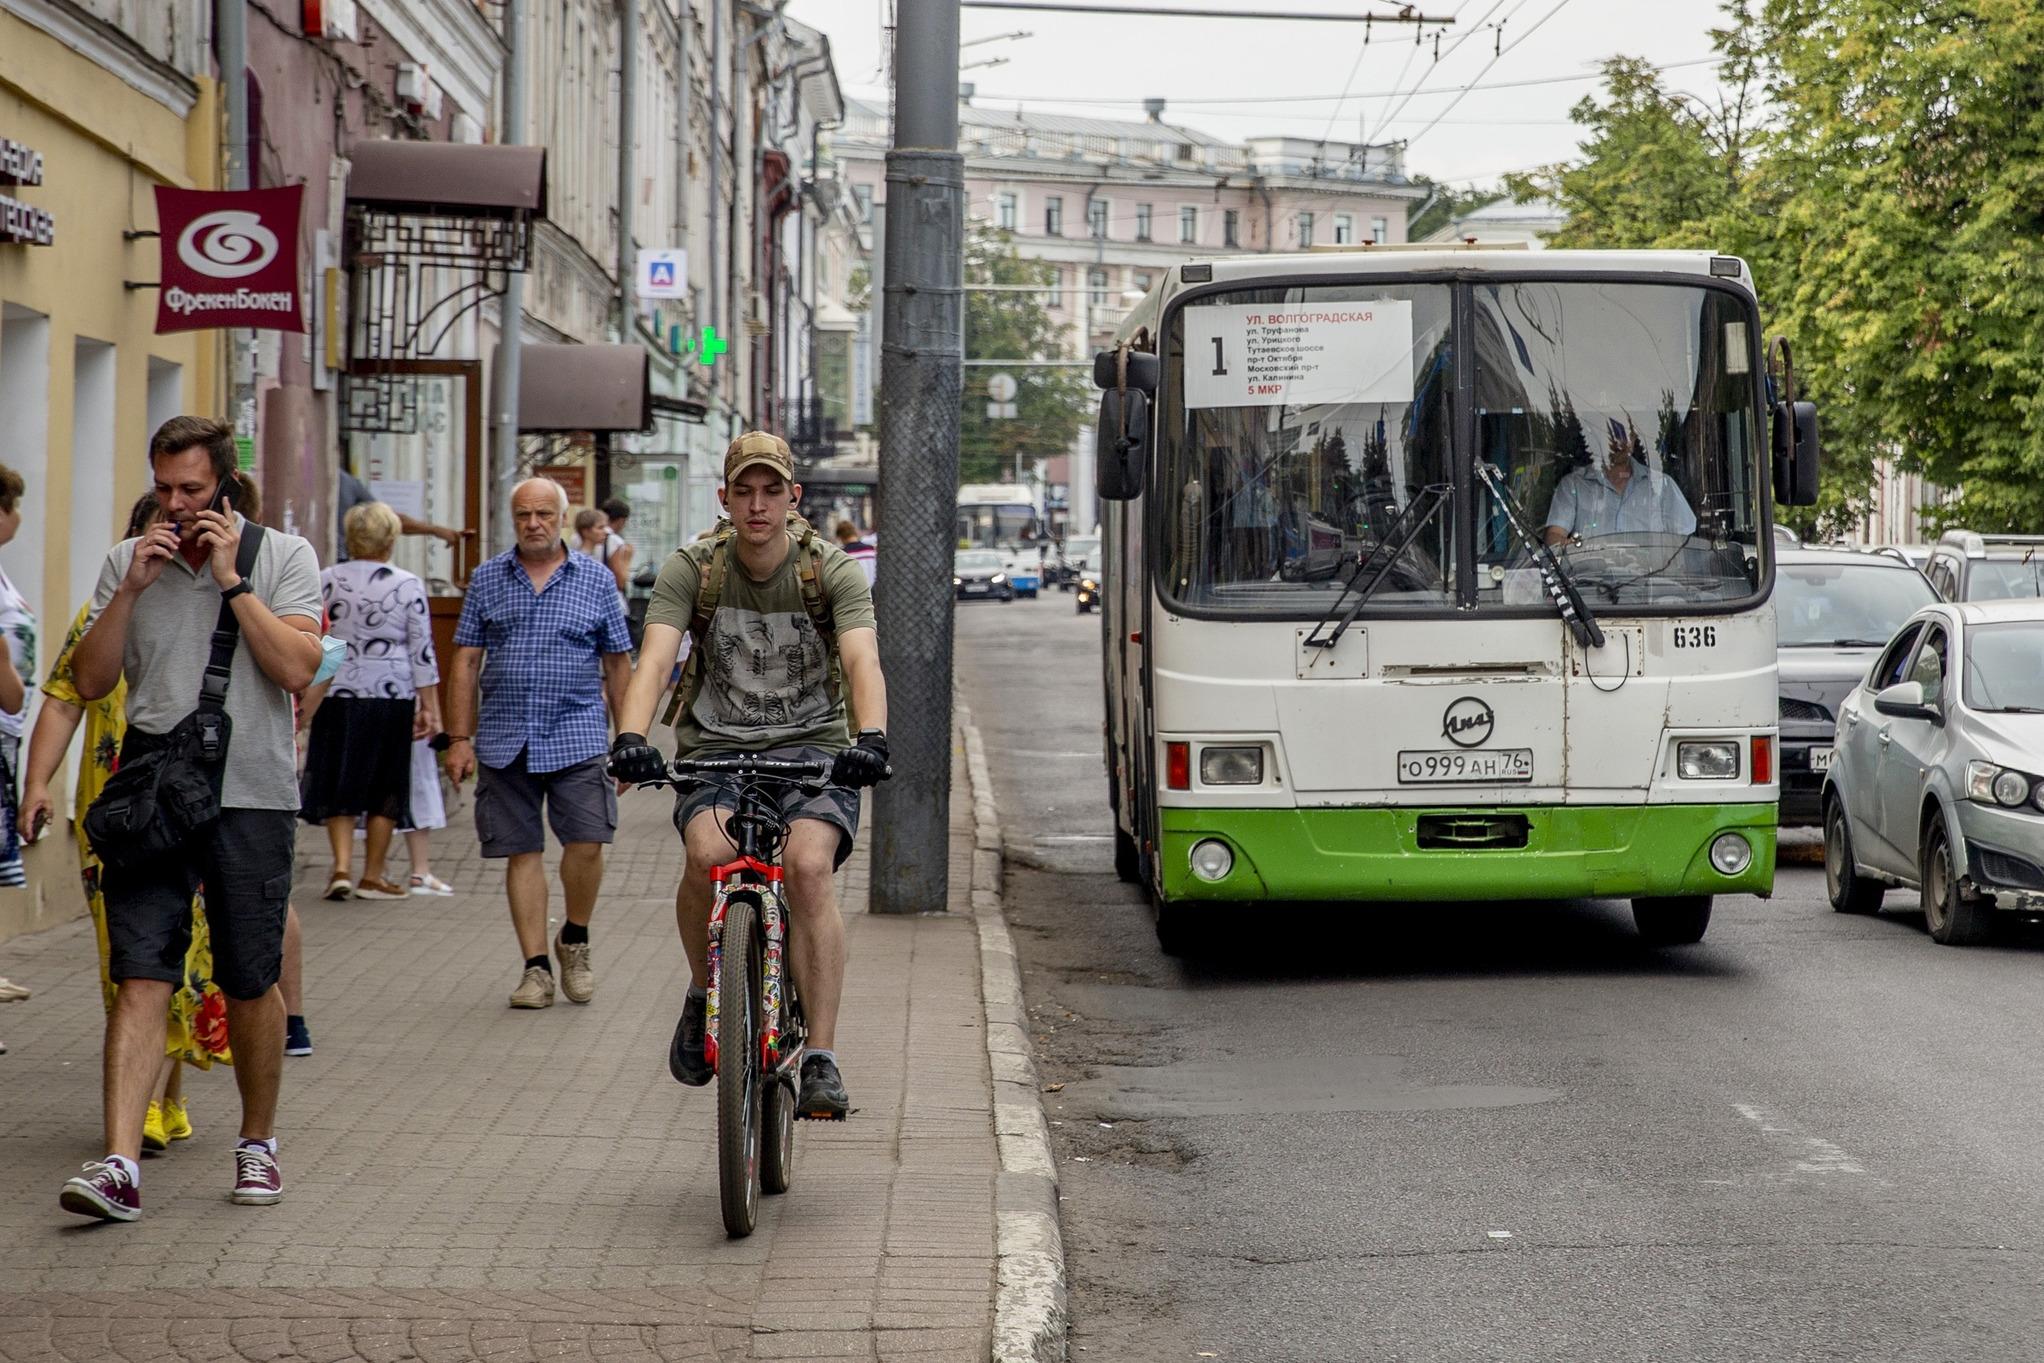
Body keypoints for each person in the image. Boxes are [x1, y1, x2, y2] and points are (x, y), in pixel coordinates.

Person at [59, 416, 324, 1222]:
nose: (174, 505)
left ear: (225, 488)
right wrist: (133, 587)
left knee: (250, 977)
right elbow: (93, 680)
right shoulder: (125, 562)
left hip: (251, 791)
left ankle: (257, 1142)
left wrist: (232, 580)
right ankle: (119, 1163)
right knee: (141, 970)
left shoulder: (282, 556)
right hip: (152, 794)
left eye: (192, 490)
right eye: (164, 488)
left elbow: (297, 667)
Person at [609, 431, 890, 1120]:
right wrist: (630, 736)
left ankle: (819, 1055)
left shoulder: (830, 569)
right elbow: (654, 660)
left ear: (793, 496)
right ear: (726, 498)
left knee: (807, 867)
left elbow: (861, 660)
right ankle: (707, 991)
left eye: (772, 491)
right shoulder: (694, 568)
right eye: (745, 491)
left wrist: (873, 735)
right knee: (707, 853)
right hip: (716, 752)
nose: (758, 504)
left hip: (816, 751)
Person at [21, 493, 233, 1149]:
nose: (162, 546)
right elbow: (62, 701)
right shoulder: (100, 618)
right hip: (115, 817)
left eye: (176, 532)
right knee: (129, 954)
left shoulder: (205, 614)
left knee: (191, 954)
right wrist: (36, 784)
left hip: (192, 810)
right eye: (152, 533)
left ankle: (164, 1093)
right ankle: (144, 1099)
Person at [442, 478, 632, 1009]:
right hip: (505, 738)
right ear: (513, 518)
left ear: (562, 517)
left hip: (577, 734)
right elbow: (466, 661)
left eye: (544, 513)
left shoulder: (595, 581)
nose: (534, 523)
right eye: (524, 514)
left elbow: (619, 663)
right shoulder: (487, 579)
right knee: (521, 852)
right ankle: (535, 970)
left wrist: (629, 739)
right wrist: (459, 738)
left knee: (588, 843)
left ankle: (574, 936)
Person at [299, 502, 441, 901]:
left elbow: (320, 639)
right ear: (391, 539)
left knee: (338, 776)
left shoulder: (326, 579)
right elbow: (422, 651)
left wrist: (306, 700)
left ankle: (341, 867)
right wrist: (431, 708)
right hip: (390, 694)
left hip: (336, 690)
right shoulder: (407, 584)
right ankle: (373, 874)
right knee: (386, 785)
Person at [1542, 418, 1697, 546]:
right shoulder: (1573, 485)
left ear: (1634, 437)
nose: (1618, 442)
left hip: (1652, 581)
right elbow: (1554, 537)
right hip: (1586, 581)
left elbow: (1684, 545)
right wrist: (1578, 548)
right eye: (1610, 434)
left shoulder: (1662, 485)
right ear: (1598, 437)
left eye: (1624, 434)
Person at [335, 462, 468, 563]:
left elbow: (385, 520)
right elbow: (387, 521)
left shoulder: (344, 481)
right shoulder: (344, 481)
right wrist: (434, 530)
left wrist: (434, 530)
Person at [598, 497, 636, 598]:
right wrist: (627, 559)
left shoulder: (580, 537)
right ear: (621, 520)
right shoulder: (614, 541)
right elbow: (620, 582)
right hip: (610, 598)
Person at [835, 519, 877, 587]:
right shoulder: (871, 550)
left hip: (857, 594)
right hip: (876, 592)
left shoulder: (841, 555)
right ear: (855, 532)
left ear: (840, 537)